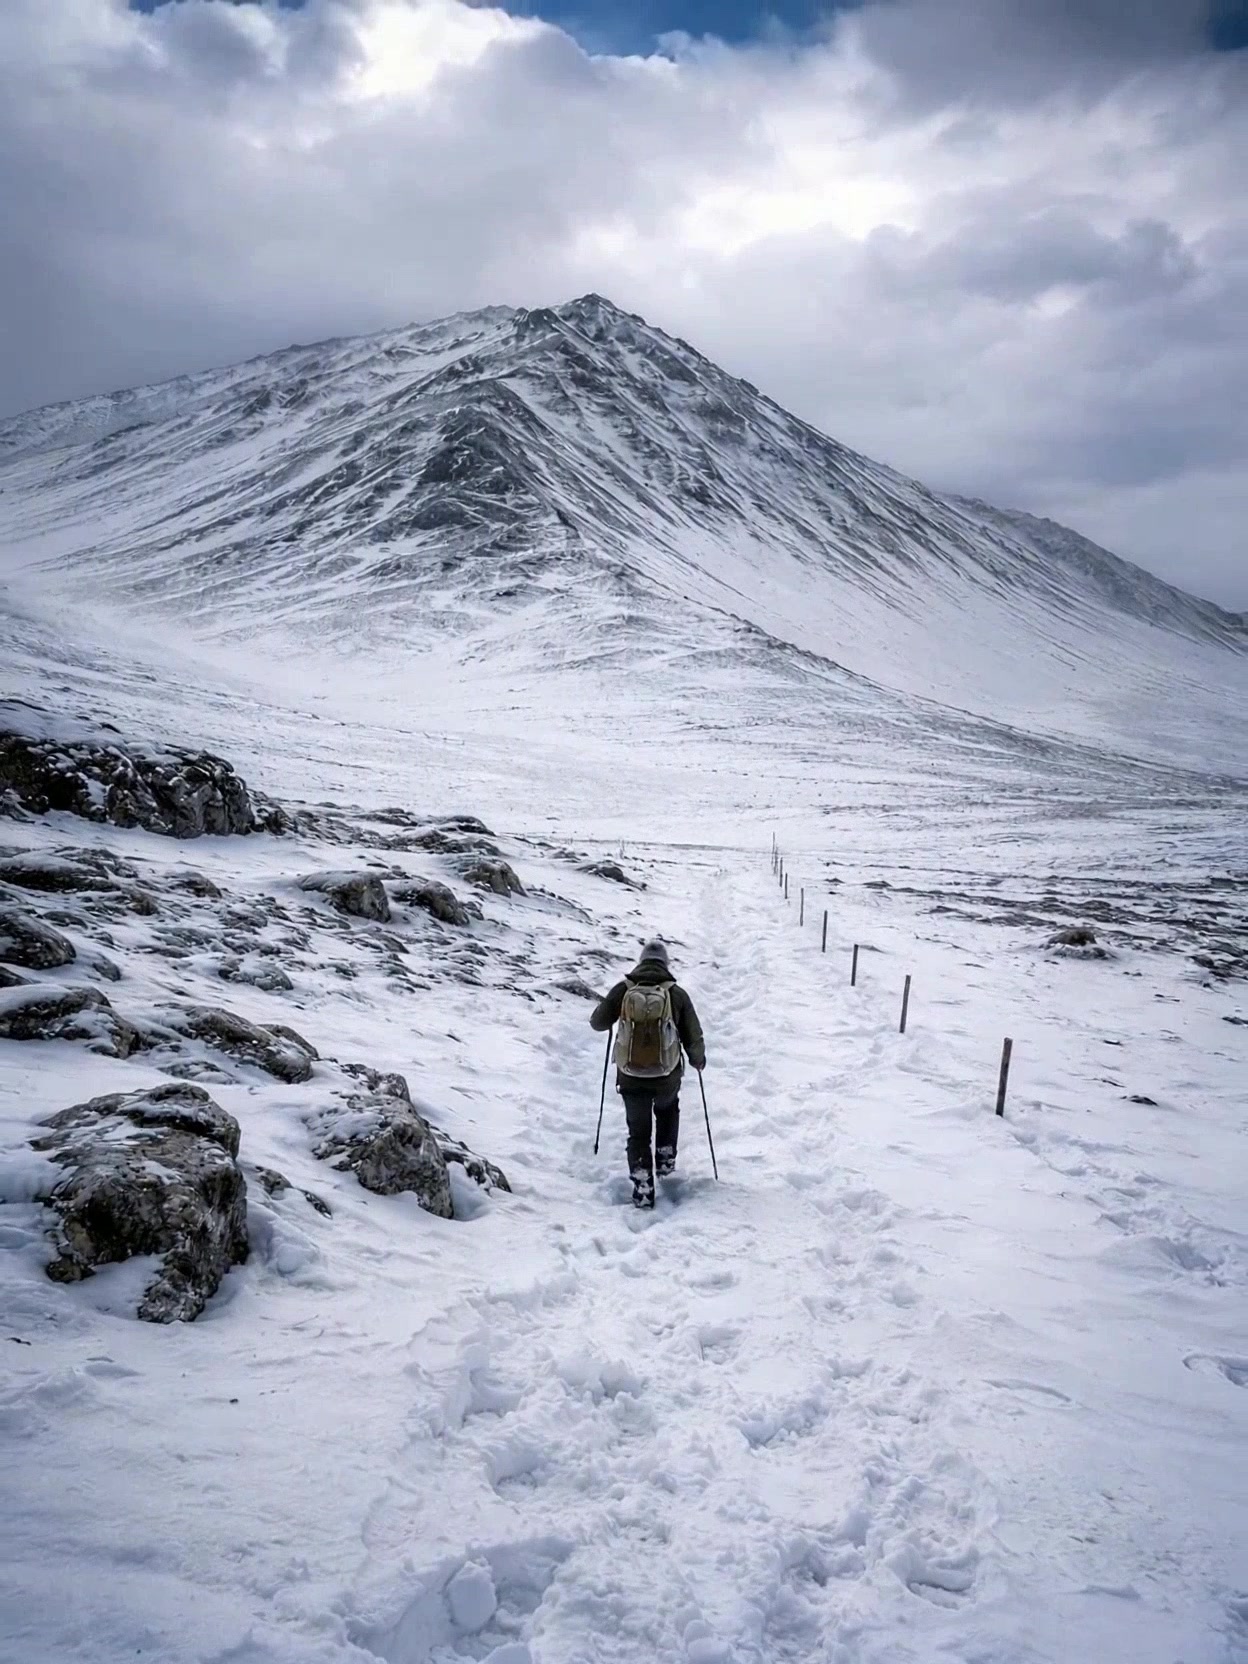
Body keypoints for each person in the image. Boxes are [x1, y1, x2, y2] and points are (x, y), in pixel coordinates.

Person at [590, 937, 706, 1209]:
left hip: (631, 1076)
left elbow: (597, 1023)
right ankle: (665, 1158)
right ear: (666, 964)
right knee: (667, 1111)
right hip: (667, 1076)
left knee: (638, 1132)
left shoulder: (624, 989)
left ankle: (642, 1180)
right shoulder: (676, 994)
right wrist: (698, 1060)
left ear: (641, 962)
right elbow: (693, 1035)